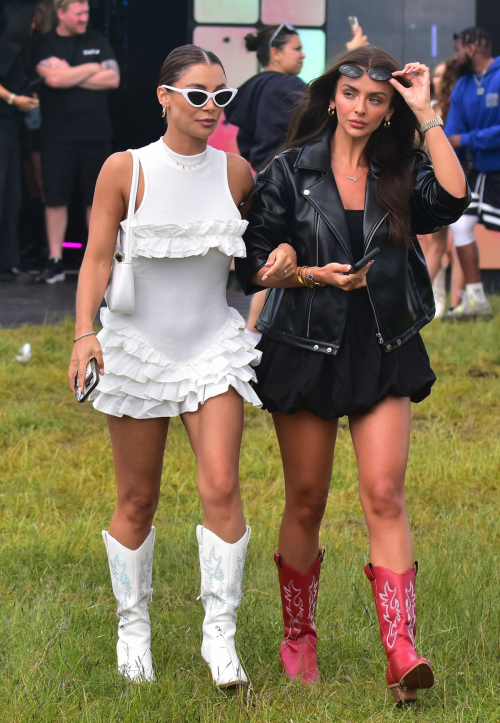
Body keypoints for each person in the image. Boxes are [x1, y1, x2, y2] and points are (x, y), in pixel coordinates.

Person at [236, 47, 470, 702]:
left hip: (383, 342)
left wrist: (427, 116)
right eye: (352, 95)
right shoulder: (289, 170)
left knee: (384, 493)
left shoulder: (400, 169)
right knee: (306, 497)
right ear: (332, 95)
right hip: (304, 343)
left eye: (377, 99)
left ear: (389, 106)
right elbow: (253, 257)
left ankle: (401, 650)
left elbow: (452, 199)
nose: (363, 109)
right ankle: (298, 636)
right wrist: (283, 265)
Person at [67, 44, 289, 686]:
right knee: (137, 497)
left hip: (211, 349)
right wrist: (86, 332)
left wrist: (285, 264)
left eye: (222, 96)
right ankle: (132, 627)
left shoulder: (237, 172)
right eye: (197, 95)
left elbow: (259, 254)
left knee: (221, 486)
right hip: (136, 351)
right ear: (164, 96)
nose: (211, 108)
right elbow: (96, 259)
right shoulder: (125, 169)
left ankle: (220, 637)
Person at [224, 23, 306, 342]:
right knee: (280, 258)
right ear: (275, 53)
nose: (303, 55)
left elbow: (246, 139)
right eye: (296, 49)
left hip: (267, 180)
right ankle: (254, 331)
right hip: (290, 184)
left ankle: (254, 330)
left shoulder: (254, 87)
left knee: (275, 257)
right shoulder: (285, 87)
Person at [33, 0, 120, 283]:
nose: (84, 18)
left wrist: (71, 72)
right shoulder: (46, 43)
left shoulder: (98, 40)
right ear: (61, 13)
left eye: (86, 12)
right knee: (55, 197)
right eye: (78, 13)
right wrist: (91, 68)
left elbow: (112, 79)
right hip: (58, 136)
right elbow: (54, 80)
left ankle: (98, 260)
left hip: (96, 134)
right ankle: (55, 259)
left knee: (96, 199)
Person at [443, 27, 498, 320]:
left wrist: (465, 140)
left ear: (474, 46)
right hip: (480, 171)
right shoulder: (463, 85)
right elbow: (451, 133)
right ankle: (477, 300)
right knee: (461, 225)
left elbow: (460, 138)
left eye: (459, 48)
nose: (457, 55)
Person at [419, 58, 465, 315]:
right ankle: (428, 299)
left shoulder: (454, 107)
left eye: (440, 75)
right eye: (434, 75)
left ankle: (452, 301)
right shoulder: (431, 107)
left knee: (455, 242)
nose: (436, 80)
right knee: (440, 244)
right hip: (435, 177)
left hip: (455, 177)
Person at [0, 0, 40, 282]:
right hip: (4, 126)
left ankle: (10, 260)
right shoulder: (8, 50)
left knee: (12, 197)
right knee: (7, 195)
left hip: (11, 129)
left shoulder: (17, 50)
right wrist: (15, 99)